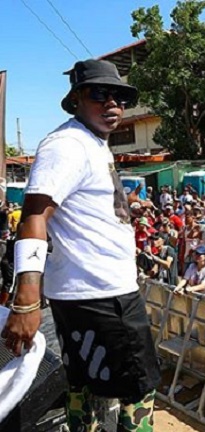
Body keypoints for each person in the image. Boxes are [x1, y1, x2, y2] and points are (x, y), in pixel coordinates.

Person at [1, 59, 160, 431]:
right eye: (100, 94)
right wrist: (25, 300)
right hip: (104, 295)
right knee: (140, 388)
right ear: (75, 99)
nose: (112, 104)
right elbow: (34, 216)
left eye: (119, 96)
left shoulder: (91, 143)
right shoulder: (68, 144)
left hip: (87, 294)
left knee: (83, 386)